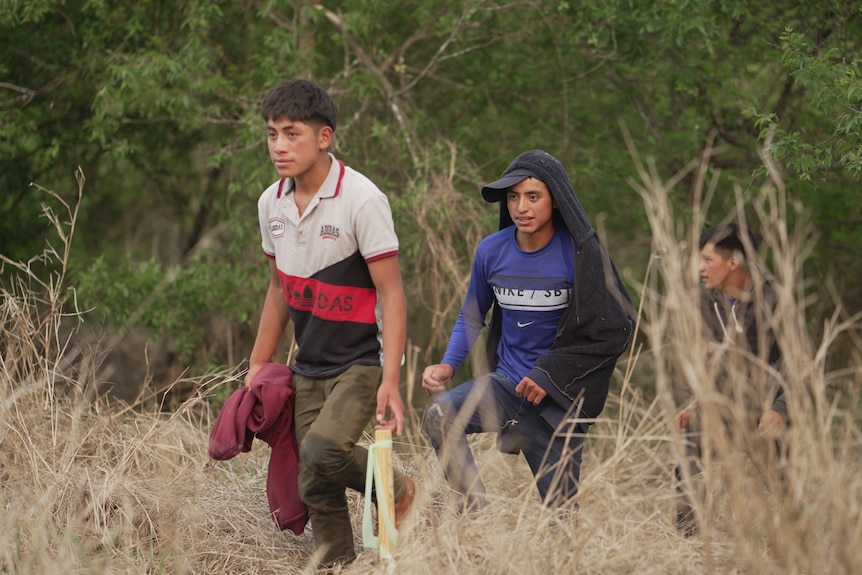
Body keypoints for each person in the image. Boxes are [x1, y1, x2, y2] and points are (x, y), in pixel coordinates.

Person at [246, 79, 417, 566]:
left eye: (292, 134)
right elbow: (279, 288)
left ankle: (399, 490)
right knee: (313, 480)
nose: (279, 146)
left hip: (362, 360)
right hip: (309, 363)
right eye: (272, 134)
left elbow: (392, 292)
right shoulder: (270, 203)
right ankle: (339, 563)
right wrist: (259, 362)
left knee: (323, 452)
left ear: (324, 137)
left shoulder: (361, 199)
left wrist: (391, 379)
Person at [421, 149, 634, 511]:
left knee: (561, 519)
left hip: (557, 403)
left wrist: (549, 374)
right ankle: (475, 514)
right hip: (505, 386)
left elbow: (616, 329)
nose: (521, 206)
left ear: (556, 199)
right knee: (439, 416)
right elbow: (473, 315)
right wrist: (447, 365)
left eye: (533, 196)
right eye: (513, 197)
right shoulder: (491, 251)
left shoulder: (582, 254)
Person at [674, 222, 788, 535]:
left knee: (782, 485)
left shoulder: (775, 301)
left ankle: (797, 544)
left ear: (733, 262)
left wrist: (781, 409)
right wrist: (691, 402)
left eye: (707, 260)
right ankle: (687, 548)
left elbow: (802, 363)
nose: (700, 268)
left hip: (766, 410)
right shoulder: (705, 300)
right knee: (688, 466)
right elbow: (700, 360)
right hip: (718, 406)